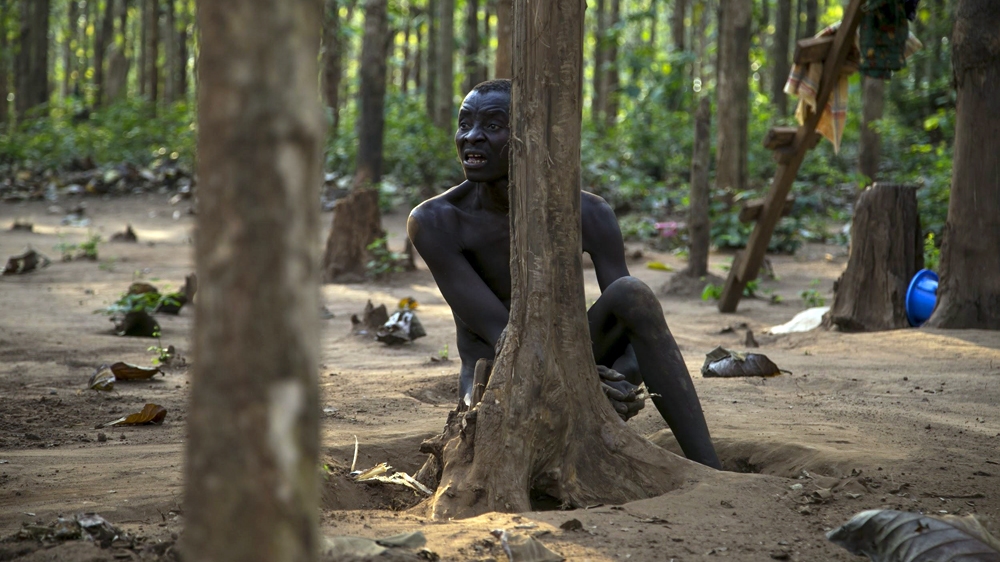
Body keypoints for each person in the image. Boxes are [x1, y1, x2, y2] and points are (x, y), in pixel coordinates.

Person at [407, 79, 721, 469]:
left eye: (492, 125)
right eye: (464, 124)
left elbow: (636, 327)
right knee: (506, 372)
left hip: (577, 356)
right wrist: (583, 381)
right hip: (495, 376)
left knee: (632, 293)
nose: (472, 136)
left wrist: (617, 379)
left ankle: (711, 470)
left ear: (528, 136)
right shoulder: (436, 222)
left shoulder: (588, 212)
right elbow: (504, 334)